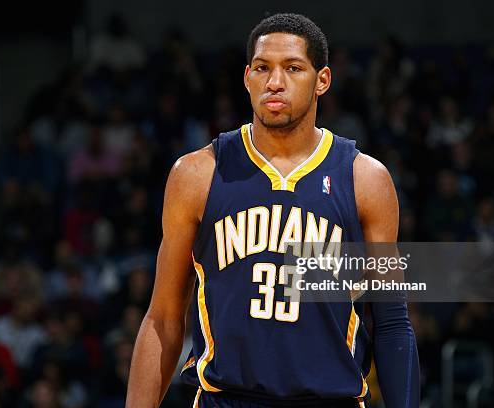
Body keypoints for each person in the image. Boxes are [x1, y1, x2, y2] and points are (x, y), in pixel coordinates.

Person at [126, 13, 419, 408]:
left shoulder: (366, 180)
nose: (274, 82)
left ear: (322, 81)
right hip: (225, 399)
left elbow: (391, 325)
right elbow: (161, 319)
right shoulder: (196, 174)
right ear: (247, 78)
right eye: (263, 68)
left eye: (293, 68)